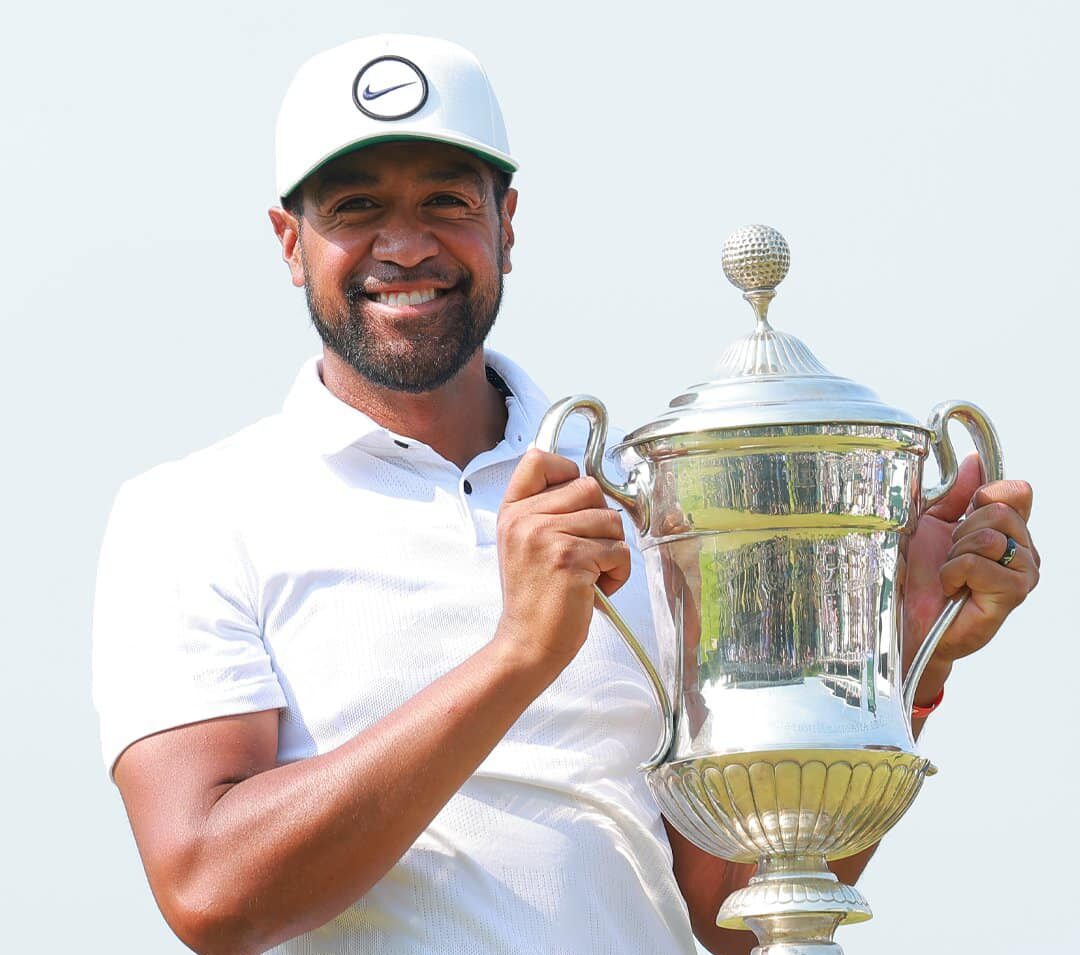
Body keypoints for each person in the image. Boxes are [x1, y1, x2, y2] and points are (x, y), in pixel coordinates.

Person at [91, 34, 1040, 955]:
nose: (407, 243)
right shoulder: (189, 515)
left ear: (508, 223)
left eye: (449, 201)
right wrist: (517, 655)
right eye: (355, 206)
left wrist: (901, 662)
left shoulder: (647, 501)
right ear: (289, 242)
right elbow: (212, 890)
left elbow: (729, 911)